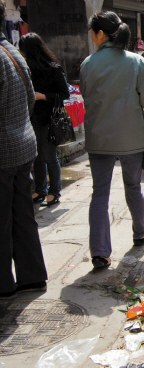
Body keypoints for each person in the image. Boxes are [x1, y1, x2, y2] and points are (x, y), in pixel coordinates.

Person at [80, 11, 144, 270]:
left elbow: (87, 96)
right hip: (131, 135)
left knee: (99, 193)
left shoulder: (88, 63)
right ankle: (140, 230)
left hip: (99, 137)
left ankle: (100, 252)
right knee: (133, 186)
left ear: (100, 34)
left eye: (92, 32)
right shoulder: (136, 62)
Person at [0, 0, 48, 297]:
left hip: (4, 150)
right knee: (23, 214)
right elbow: (30, 98)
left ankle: (3, 282)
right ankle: (31, 275)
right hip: (23, 143)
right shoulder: (13, 52)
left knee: (2, 219)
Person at [19, 32, 70, 207]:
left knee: (49, 156)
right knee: (36, 157)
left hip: (49, 118)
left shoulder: (53, 68)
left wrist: (43, 96)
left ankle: (54, 191)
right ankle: (40, 189)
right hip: (30, 117)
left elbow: (65, 94)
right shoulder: (24, 68)